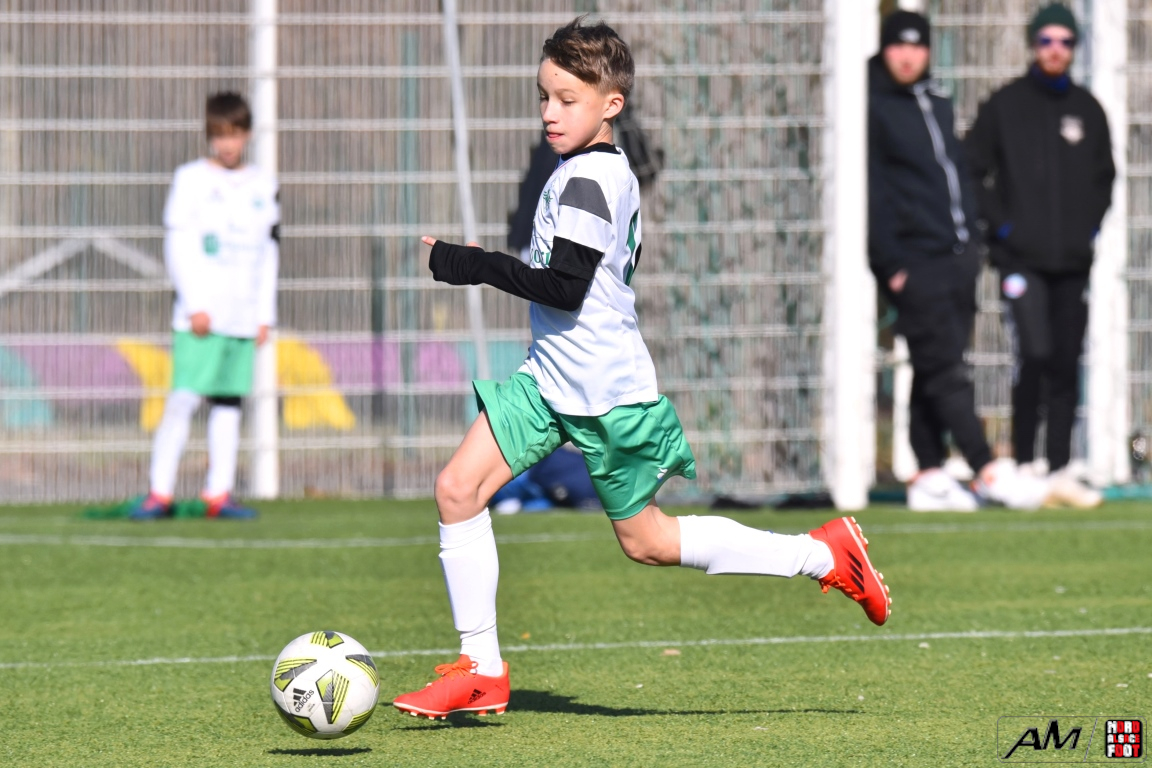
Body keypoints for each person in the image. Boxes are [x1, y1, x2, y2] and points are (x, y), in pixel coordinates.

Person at [391, 17, 891, 720]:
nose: (550, 112)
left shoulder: (591, 179)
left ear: (611, 104)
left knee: (649, 542)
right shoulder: (585, 170)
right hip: (549, 379)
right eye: (545, 97)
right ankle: (481, 669)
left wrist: (469, 263)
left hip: (606, 393)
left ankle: (823, 555)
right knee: (457, 489)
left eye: (567, 99)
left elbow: (564, 286)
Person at [868, 11, 1049, 511]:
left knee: (935, 365)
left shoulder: (937, 100)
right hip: (913, 259)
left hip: (957, 256)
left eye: (917, 46)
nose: (908, 56)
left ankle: (928, 474)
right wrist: (891, 262)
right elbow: (872, 191)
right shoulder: (871, 106)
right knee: (946, 369)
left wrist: (972, 239)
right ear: (884, 49)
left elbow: (957, 174)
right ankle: (986, 467)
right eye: (898, 46)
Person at [966, 3, 1115, 509]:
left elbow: (1104, 178)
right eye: (1047, 40)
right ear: (1034, 44)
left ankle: (1060, 466)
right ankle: (1026, 462)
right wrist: (1003, 228)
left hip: (1072, 261)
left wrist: (1087, 228)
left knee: (1066, 360)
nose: (1055, 50)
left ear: (1074, 48)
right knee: (1033, 354)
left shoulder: (1088, 110)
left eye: (1065, 42)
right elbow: (973, 170)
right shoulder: (1005, 105)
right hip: (1021, 261)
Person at [129, 92, 280, 520]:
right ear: (209, 136)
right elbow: (177, 244)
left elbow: (270, 252)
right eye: (219, 135)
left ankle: (219, 493)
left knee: (228, 402)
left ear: (247, 135)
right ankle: (159, 492)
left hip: (242, 314)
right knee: (184, 398)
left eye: (234, 134)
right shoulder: (191, 179)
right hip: (202, 315)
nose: (227, 143)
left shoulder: (263, 184)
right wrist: (194, 302)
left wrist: (264, 314)